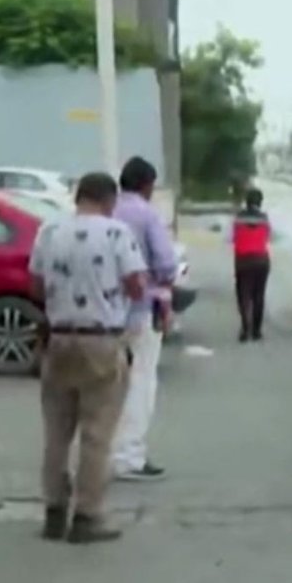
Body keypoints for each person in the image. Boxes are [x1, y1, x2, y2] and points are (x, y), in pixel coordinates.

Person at [29, 172, 147, 543]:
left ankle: (53, 512)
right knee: (96, 434)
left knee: (57, 433)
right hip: (101, 341)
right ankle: (86, 516)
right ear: (109, 199)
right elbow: (136, 283)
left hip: (59, 339)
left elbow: (35, 284)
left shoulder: (49, 231)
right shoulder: (116, 234)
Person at [110, 156, 177, 482]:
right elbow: (165, 264)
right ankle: (129, 456)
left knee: (107, 384)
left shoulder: (107, 210)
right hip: (140, 310)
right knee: (140, 383)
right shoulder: (147, 215)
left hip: (104, 313)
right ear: (147, 185)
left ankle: (103, 451)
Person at [231, 187, 274, 341]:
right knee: (259, 295)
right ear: (260, 202)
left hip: (243, 261)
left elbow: (232, 238)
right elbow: (269, 237)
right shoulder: (264, 219)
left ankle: (245, 329)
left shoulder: (238, 218)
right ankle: (256, 331)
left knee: (243, 295)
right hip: (261, 261)